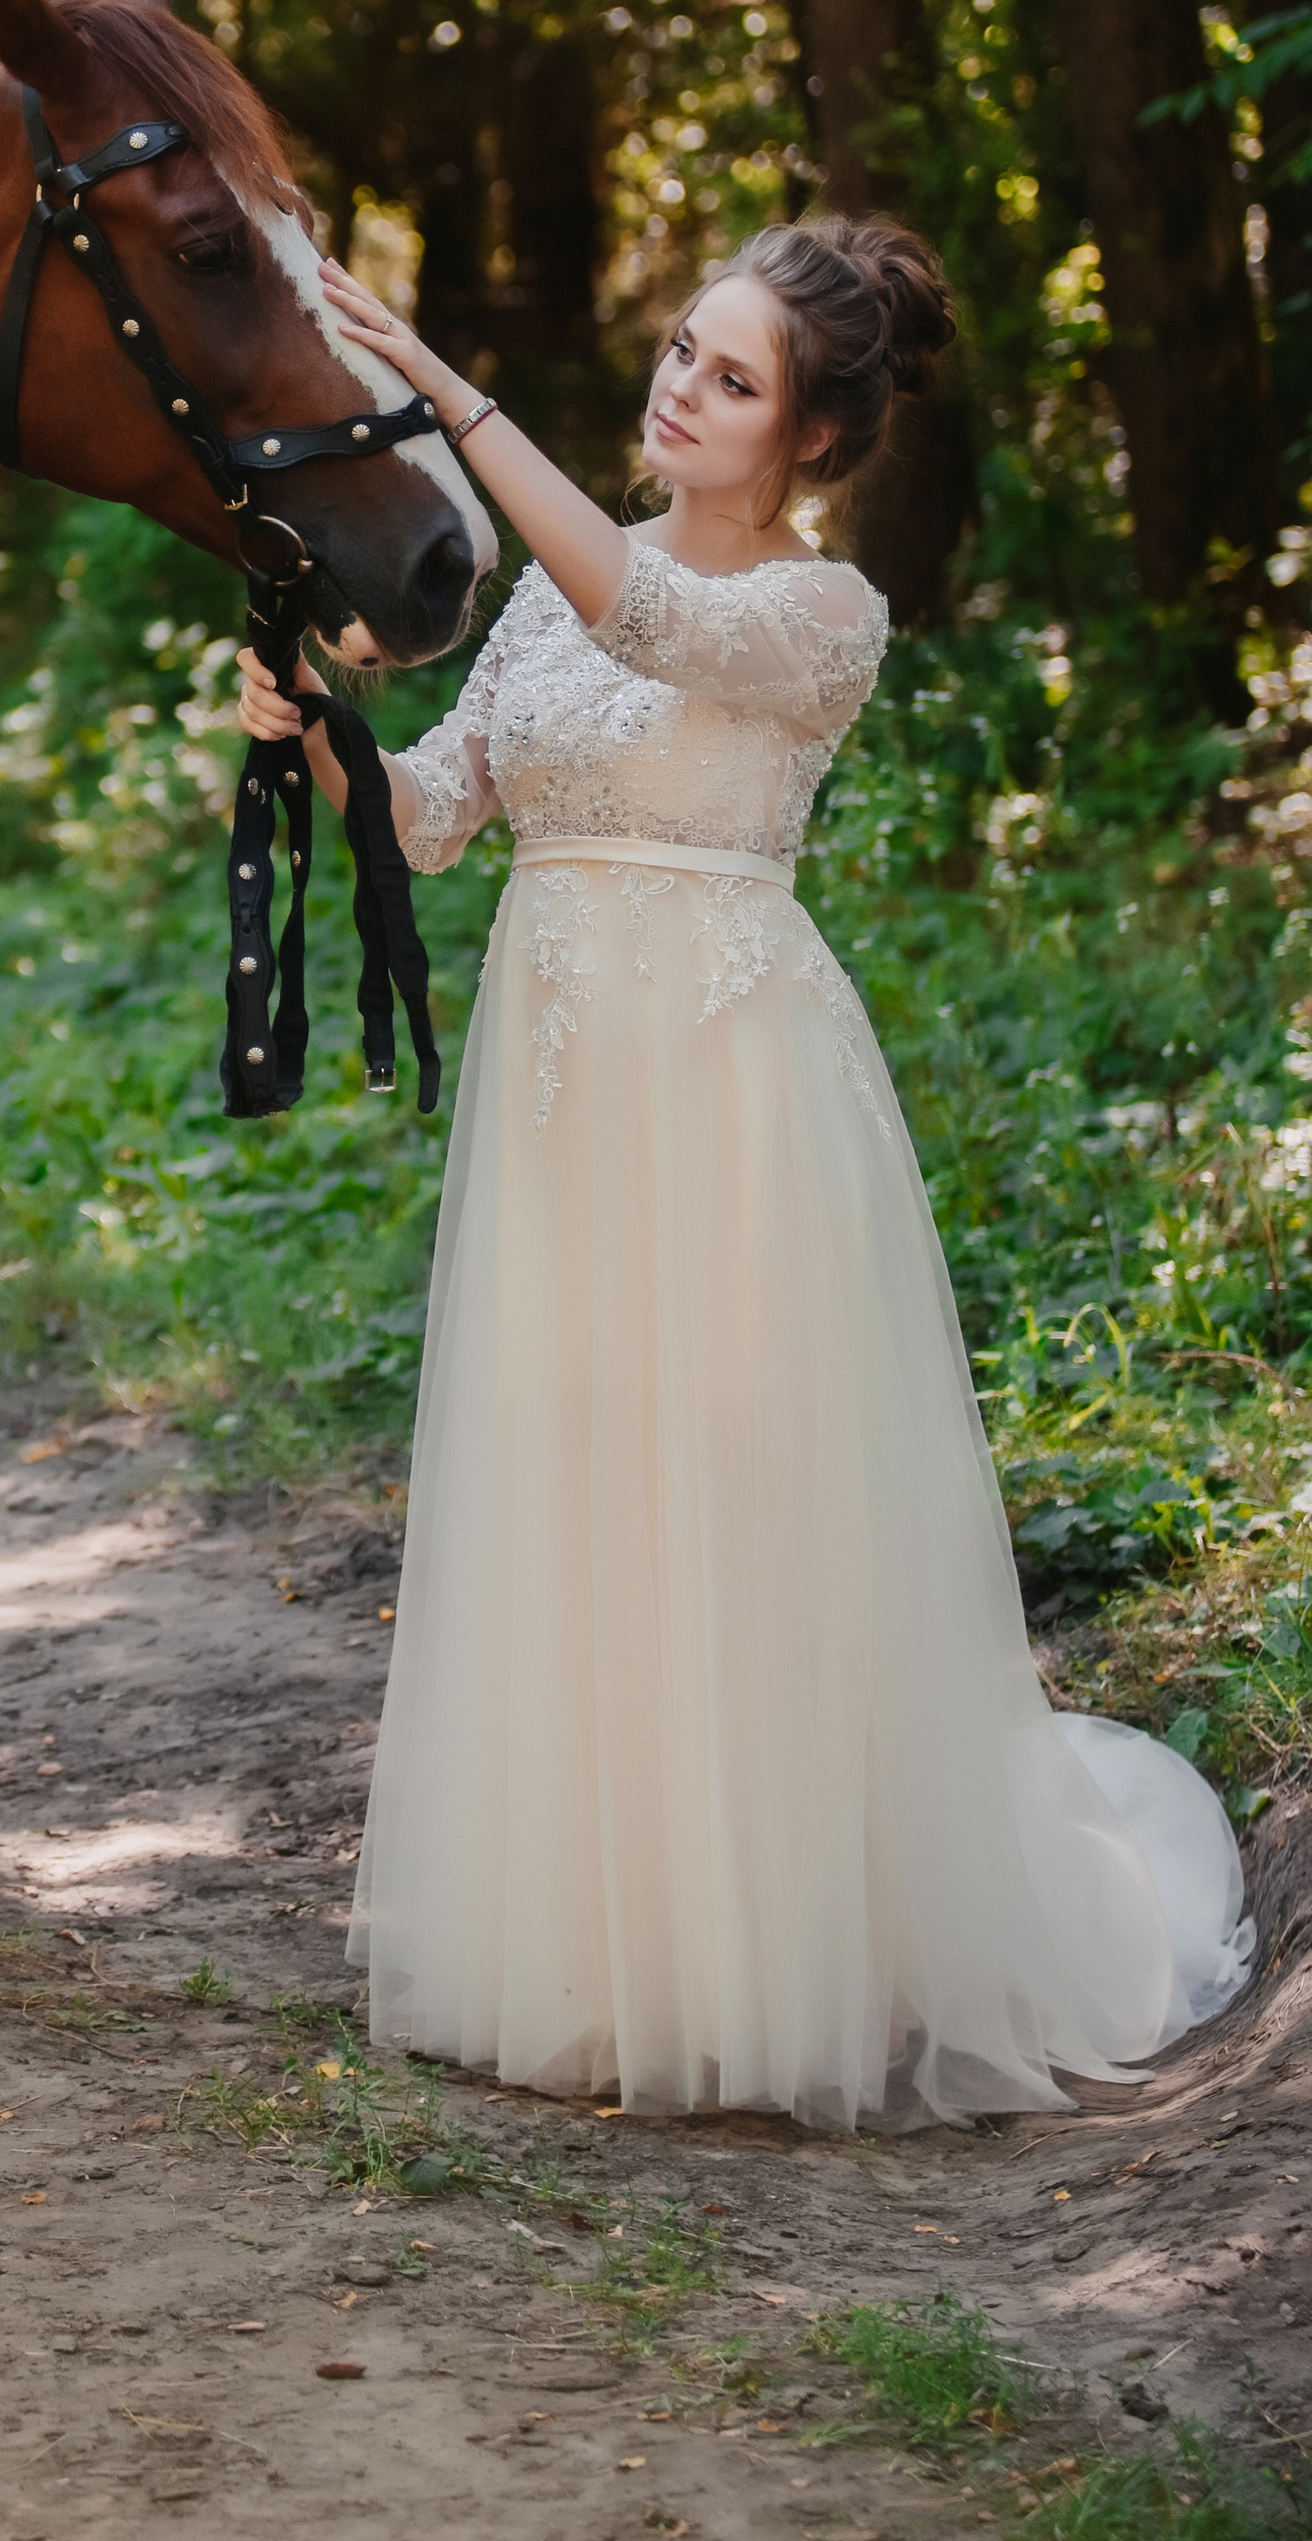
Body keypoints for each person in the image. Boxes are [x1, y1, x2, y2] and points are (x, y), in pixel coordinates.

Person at [239, 220, 1251, 2130]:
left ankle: (783, 1950)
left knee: (735, 1490)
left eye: (729, 379)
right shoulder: (552, 600)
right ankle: (613, 1947)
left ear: (808, 438)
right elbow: (443, 820)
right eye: (681, 355)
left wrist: (450, 393)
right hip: (559, 1112)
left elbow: (648, 619)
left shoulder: (817, 614)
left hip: (730, 1096)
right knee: (581, 1475)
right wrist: (321, 749)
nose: (678, 394)